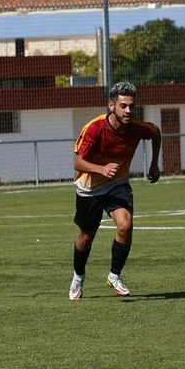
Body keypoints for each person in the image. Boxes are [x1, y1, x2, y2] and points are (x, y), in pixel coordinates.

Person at [68, 81, 161, 301]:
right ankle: (78, 276)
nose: (128, 110)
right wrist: (101, 168)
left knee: (125, 224)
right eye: (123, 106)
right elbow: (77, 162)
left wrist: (154, 164)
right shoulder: (94, 128)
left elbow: (155, 132)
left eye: (131, 106)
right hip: (89, 188)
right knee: (86, 236)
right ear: (111, 106)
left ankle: (114, 276)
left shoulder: (137, 128)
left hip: (116, 184)